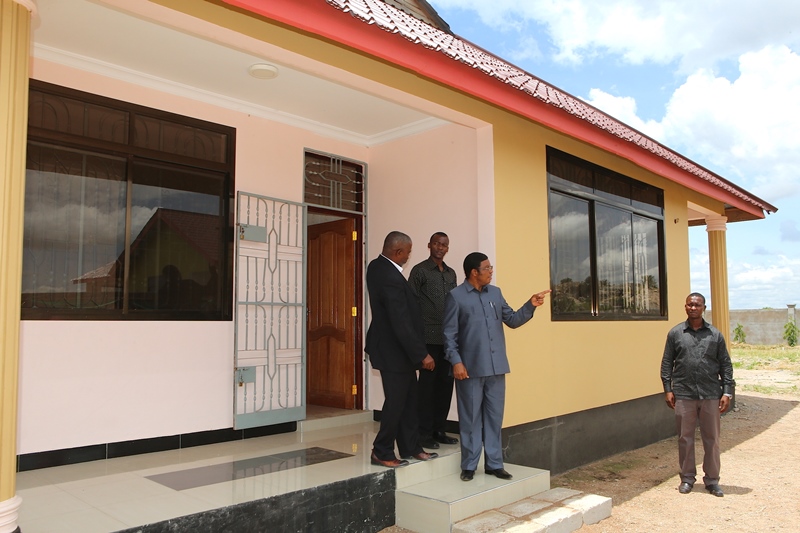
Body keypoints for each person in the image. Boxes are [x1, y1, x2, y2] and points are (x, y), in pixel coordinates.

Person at [443, 252, 550, 481]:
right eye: (487, 268)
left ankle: (494, 464)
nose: (491, 271)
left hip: (497, 367)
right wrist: (456, 362)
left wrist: (530, 305)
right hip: (469, 370)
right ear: (474, 272)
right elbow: (449, 335)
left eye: (491, 267)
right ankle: (469, 465)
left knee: (494, 417)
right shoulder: (456, 297)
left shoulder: (496, 293)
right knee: (470, 419)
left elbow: (512, 320)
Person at [366, 231, 438, 468]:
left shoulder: (379, 267)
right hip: (393, 351)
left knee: (408, 401)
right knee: (396, 403)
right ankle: (381, 451)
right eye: (407, 252)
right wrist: (421, 354)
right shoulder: (387, 274)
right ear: (398, 251)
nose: (408, 256)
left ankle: (411, 447)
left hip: (399, 351)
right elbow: (400, 320)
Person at [660, 292, 735, 497]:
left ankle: (712, 480)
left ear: (704, 308)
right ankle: (687, 478)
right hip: (684, 394)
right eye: (690, 305)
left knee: (712, 439)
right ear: (685, 307)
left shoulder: (715, 335)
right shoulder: (675, 334)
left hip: (710, 393)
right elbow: (667, 363)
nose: (693, 308)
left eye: (697, 305)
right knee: (685, 438)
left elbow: (725, 365)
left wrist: (727, 392)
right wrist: (668, 389)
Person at [409, 232, 459, 450]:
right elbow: (410, 304)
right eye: (436, 243)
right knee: (427, 389)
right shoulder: (419, 271)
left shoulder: (451, 273)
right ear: (429, 245)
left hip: (448, 339)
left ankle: (439, 430)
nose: (440, 247)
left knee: (445, 386)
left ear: (448, 248)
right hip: (428, 338)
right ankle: (423, 433)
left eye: (444, 245)